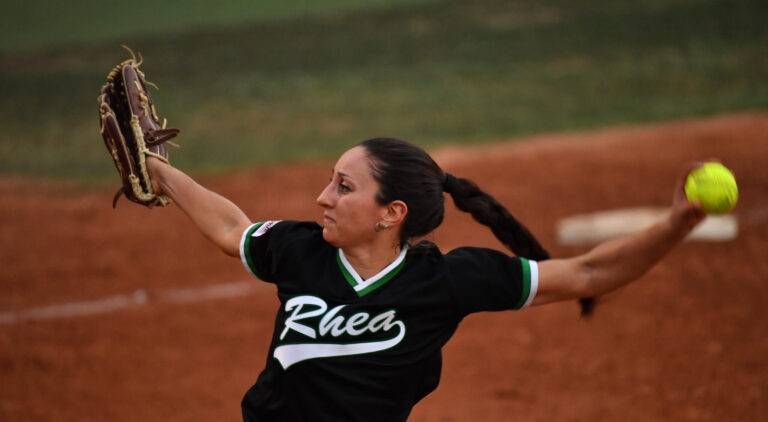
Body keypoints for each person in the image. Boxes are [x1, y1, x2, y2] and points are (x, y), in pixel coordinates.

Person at [146, 137, 705, 421]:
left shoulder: (445, 282)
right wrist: (157, 168)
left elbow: (589, 273)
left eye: (344, 186)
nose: (323, 197)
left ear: (392, 213)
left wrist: (676, 224)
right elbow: (230, 229)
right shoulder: (299, 249)